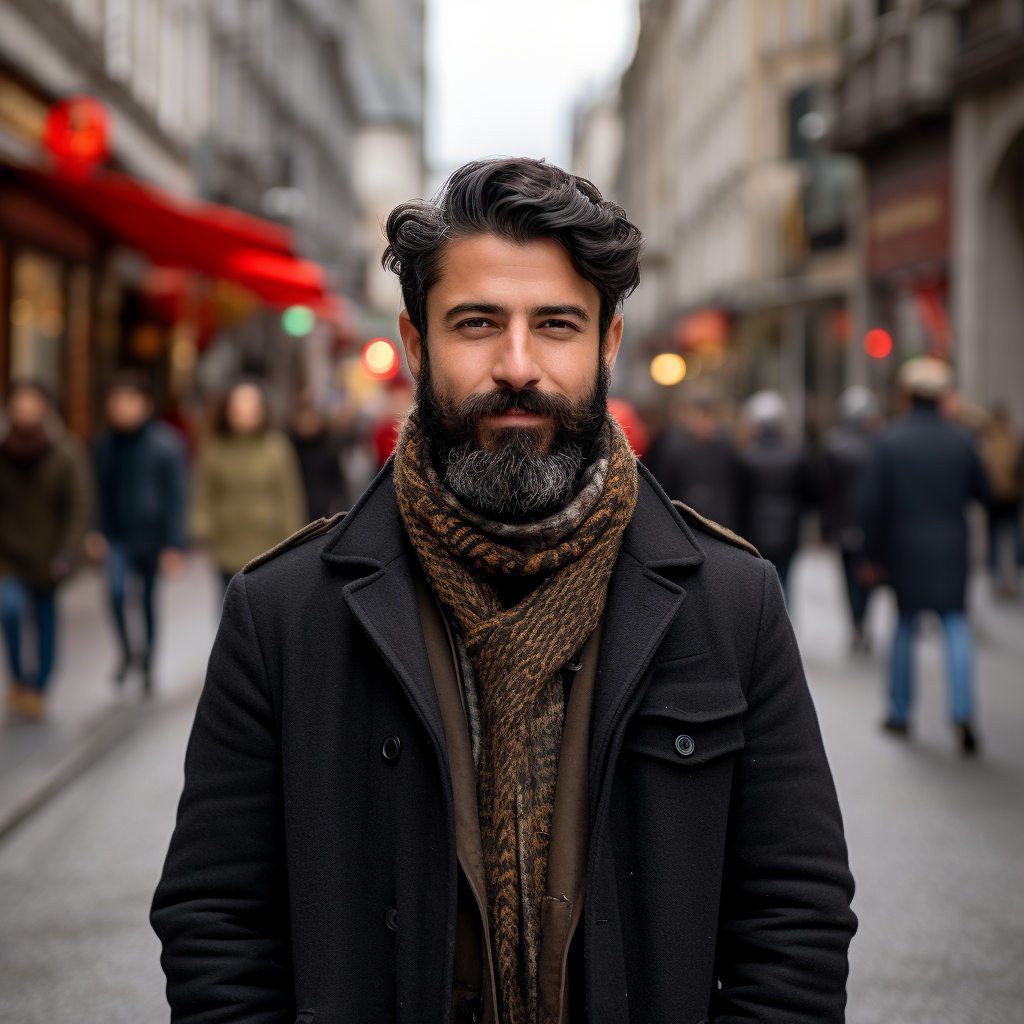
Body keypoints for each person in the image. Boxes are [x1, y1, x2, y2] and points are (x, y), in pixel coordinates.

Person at [153, 159, 855, 1023]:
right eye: (477, 323)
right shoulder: (285, 616)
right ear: (416, 345)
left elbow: (796, 919)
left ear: (608, 345)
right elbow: (215, 924)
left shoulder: (730, 604)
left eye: (555, 324)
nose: (516, 365)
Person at [862, 356, 992, 755]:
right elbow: (984, 494)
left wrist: (872, 554)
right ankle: (962, 709)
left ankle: (900, 712)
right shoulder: (963, 440)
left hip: (905, 545)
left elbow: (872, 504)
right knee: (955, 624)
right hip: (951, 546)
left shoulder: (889, 441)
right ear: (943, 398)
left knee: (904, 625)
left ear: (907, 395)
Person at [88, 371, 188, 693]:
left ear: (145, 404)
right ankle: (127, 652)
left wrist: (174, 544)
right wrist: (95, 531)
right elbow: (97, 491)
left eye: (130, 401)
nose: (122, 408)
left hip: (153, 538)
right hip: (117, 535)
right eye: (116, 402)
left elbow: (177, 496)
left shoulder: (167, 445)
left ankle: (147, 662)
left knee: (146, 600)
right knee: (116, 593)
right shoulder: (104, 445)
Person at [0, 382, 89, 718]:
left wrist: (68, 551)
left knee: (45, 619)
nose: (24, 412)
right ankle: (19, 678)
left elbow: (78, 507)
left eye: (31, 405)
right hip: (7, 556)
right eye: (18, 406)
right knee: (8, 610)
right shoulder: (3, 449)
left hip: (50, 555)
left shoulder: (65, 451)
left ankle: (39, 686)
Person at [190, 379, 306, 590]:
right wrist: (202, 527)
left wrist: (294, 536)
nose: (244, 415)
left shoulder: (277, 447)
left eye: (251, 409)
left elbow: (289, 495)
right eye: (238, 409)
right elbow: (205, 491)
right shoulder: (215, 448)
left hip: (269, 542)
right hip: (227, 540)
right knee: (230, 603)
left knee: (264, 607)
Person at [820, 385, 880, 652]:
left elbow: (826, 492)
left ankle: (856, 624)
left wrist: (825, 527)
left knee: (847, 576)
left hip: (843, 523)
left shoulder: (833, 445)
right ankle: (862, 622)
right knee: (869, 574)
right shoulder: (878, 445)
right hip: (870, 524)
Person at [736, 390, 811, 593]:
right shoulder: (796, 456)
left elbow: (739, 497)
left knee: (760, 584)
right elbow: (809, 493)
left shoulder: (746, 457)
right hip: (789, 528)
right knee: (785, 582)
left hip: (754, 529)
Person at [644, 396, 738, 529]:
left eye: (707, 417)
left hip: (720, 522)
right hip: (688, 523)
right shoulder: (675, 450)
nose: (703, 424)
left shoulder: (728, 450)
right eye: (698, 418)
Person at [979, 403, 1022, 597]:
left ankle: (996, 575)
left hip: (994, 495)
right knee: (1012, 535)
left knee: (995, 537)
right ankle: (1011, 575)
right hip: (1012, 494)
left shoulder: (986, 441)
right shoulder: (1013, 439)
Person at [289, 399, 346, 521]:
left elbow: (338, 484)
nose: (307, 424)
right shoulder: (290, 450)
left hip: (324, 511)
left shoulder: (329, 449)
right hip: (297, 508)